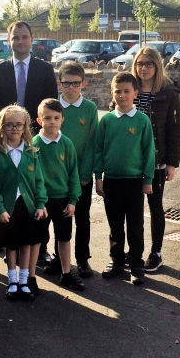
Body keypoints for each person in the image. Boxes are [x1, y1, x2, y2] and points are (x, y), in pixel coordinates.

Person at [0, 21, 59, 267]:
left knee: (35, 193)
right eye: (15, 37)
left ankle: (41, 249)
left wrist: (32, 135)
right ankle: (9, 243)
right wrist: (7, 134)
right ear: (9, 40)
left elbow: (50, 104)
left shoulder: (45, 70)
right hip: (7, 141)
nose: (20, 41)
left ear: (31, 39)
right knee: (10, 194)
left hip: (34, 141)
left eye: (24, 37)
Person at [94, 72, 155, 285]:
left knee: (135, 225)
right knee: (115, 225)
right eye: (117, 91)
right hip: (111, 180)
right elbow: (98, 150)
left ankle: (136, 264)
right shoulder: (107, 120)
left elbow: (149, 151)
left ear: (135, 93)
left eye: (126, 91)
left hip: (135, 181)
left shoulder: (142, 120)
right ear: (112, 93)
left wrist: (148, 179)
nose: (122, 95)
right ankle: (117, 261)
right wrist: (98, 177)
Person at [0, 105, 48, 301]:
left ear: (25, 127)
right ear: (2, 127)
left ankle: (24, 281)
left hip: (28, 206)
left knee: (27, 244)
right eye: (9, 125)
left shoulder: (32, 152)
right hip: (8, 208)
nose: (14, 128)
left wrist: (40, 204)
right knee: (11, 245)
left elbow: (39, 181)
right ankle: (12, 280)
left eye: (19, 125)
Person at [131, 47, 180, 272]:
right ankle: (134, 252)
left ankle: (156, 252)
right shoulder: (128, 88)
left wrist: (172, 163)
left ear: (157, 66)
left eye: (148, 64)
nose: (143, 68)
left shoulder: (167, 93)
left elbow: (174, 129)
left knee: (155, 206)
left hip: (157, 159)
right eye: (140, 64)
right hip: (131, 160)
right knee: (132, 209)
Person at [52, 61, 99, 278]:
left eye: (75, 83)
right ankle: (59, 259)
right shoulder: (53, 108)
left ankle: (82, 259)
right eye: (66, 83)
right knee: (60, 219)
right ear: (59, 83)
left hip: (80, 176)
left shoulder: (89, 108)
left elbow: (92, 144)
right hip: (57, 177)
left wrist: (85, 173)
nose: (71, 87)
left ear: (83, 83)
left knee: (82, 218)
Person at [33, 99, 84, 291]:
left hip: (63, 200)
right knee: (37, 239)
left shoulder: (67, 144)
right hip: (42, 201)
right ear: (39, 120)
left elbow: (73, 173)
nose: (52, 121)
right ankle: (30, 277)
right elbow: (32, 176)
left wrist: (73, 200)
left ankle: (66, 273)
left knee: (64, 238)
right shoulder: (34, 144)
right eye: (47, 118)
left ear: (62, 119)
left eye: (56, 118)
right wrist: (39, 201)